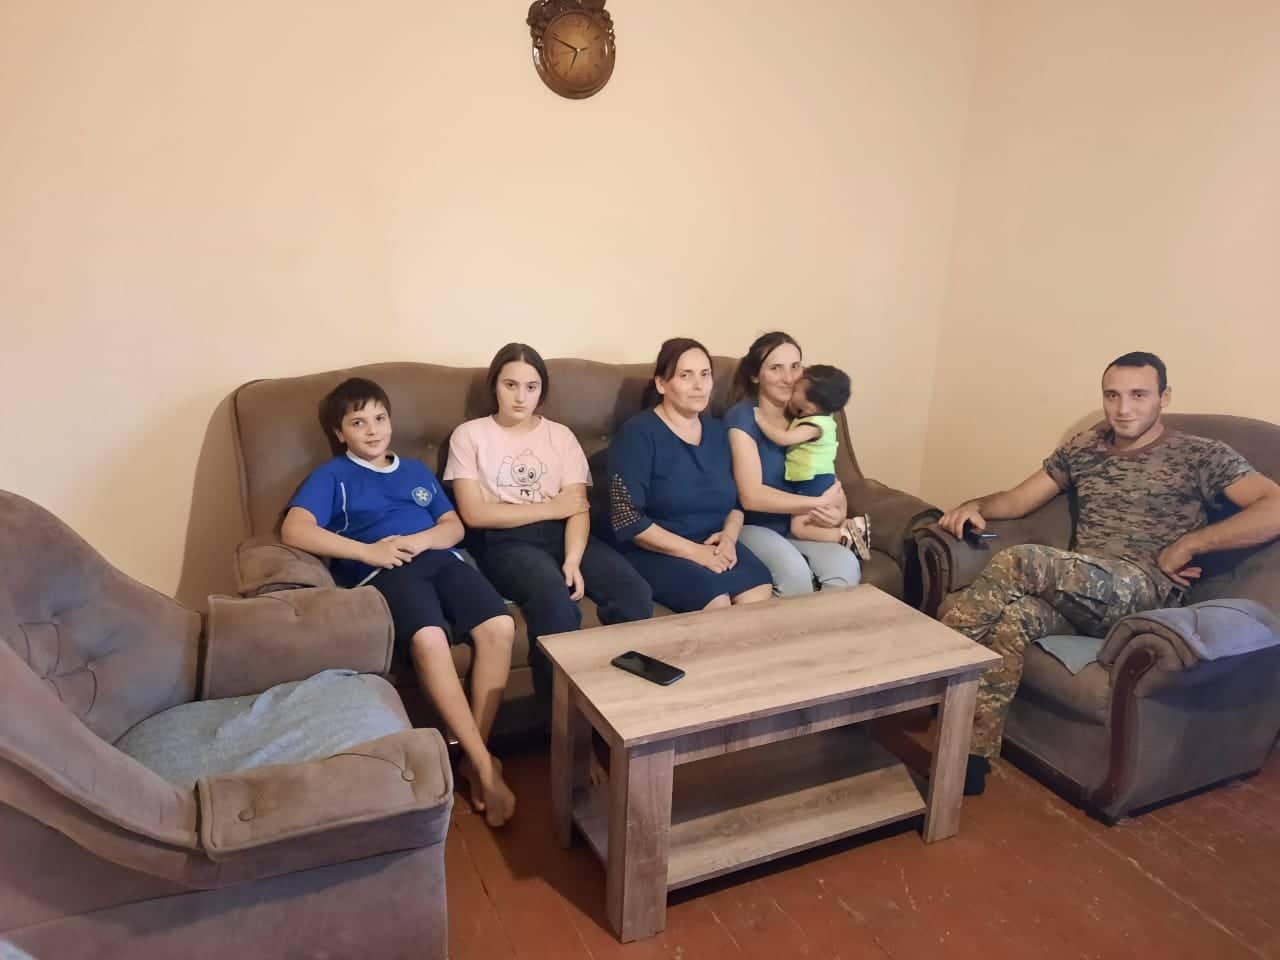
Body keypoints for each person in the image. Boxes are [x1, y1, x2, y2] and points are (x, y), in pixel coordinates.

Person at [937, 351, 1280, 795]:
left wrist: (1190, 544)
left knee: (1020, 560)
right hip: (1082, 592)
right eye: (1112, 396)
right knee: (1012, 621)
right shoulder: (1085, 448)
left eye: (1138, 395)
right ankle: (969, 759)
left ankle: (925, 668)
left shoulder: (1201, 454)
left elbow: (1274, 505)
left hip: (1143, 591)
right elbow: (1018, 501)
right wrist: (975, 505)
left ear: (1164, 398)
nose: (1123, 409)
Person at [281, 377, 518, 827]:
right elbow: (295, 529)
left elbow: (454, 526)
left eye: (380, 418)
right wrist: (368, 552)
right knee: (429, 639)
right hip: (385, 571)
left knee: (500, 625)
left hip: (441, 559)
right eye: (358, 422)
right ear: (339, 433)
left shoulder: (414, 471)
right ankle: (486, 767)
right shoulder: (333, 476)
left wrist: (425, 538)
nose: (372, 430)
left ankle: (476, 756)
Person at [444, 343, 653, 699]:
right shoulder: (470, 435)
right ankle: (558, 715)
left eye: (531, 387)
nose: (520, 397)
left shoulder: (561, 436)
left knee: (634, 593)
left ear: (542, 391)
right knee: (555, 602)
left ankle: (619, 701)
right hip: (504, 540)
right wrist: (552, 507)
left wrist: (572, 559)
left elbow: (577, 507)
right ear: (494, 386)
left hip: (563, 534)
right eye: (510, 385)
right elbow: (475, 514)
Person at [607, 337, 773, 612]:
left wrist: (729, 539)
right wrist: (696, 553)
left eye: (705, 374)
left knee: (759, 591)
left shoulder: (718, 432)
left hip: (713, 543)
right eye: (686, 375)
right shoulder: (637, 434)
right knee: (716, 601)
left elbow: (736, 503)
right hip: (656, 550)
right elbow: (628, 519)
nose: (699, 385)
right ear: (661, 384)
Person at [726, 331, 863, 596]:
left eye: (795, 366)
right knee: (795, 574)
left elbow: (826, 475)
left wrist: (837, 514)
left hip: (800, 526)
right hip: (752, 525)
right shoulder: (743, 418)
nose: (788, 378)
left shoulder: (811, 415)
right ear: (755, 376)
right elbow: (751, 497)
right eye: (776, 368)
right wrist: (815, 503)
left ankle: (828, 624)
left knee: (845, 565)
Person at [751, 363, 871, 558]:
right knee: (809, 523)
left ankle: (843, 535)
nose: (791, 385)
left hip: (813, 482)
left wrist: (761, 422)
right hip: (819, 480)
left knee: (799, 528)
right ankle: (849, 528)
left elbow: (784, 439)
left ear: (811, 406)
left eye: (797, 389)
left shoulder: (814, 426)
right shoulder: (821, 419)